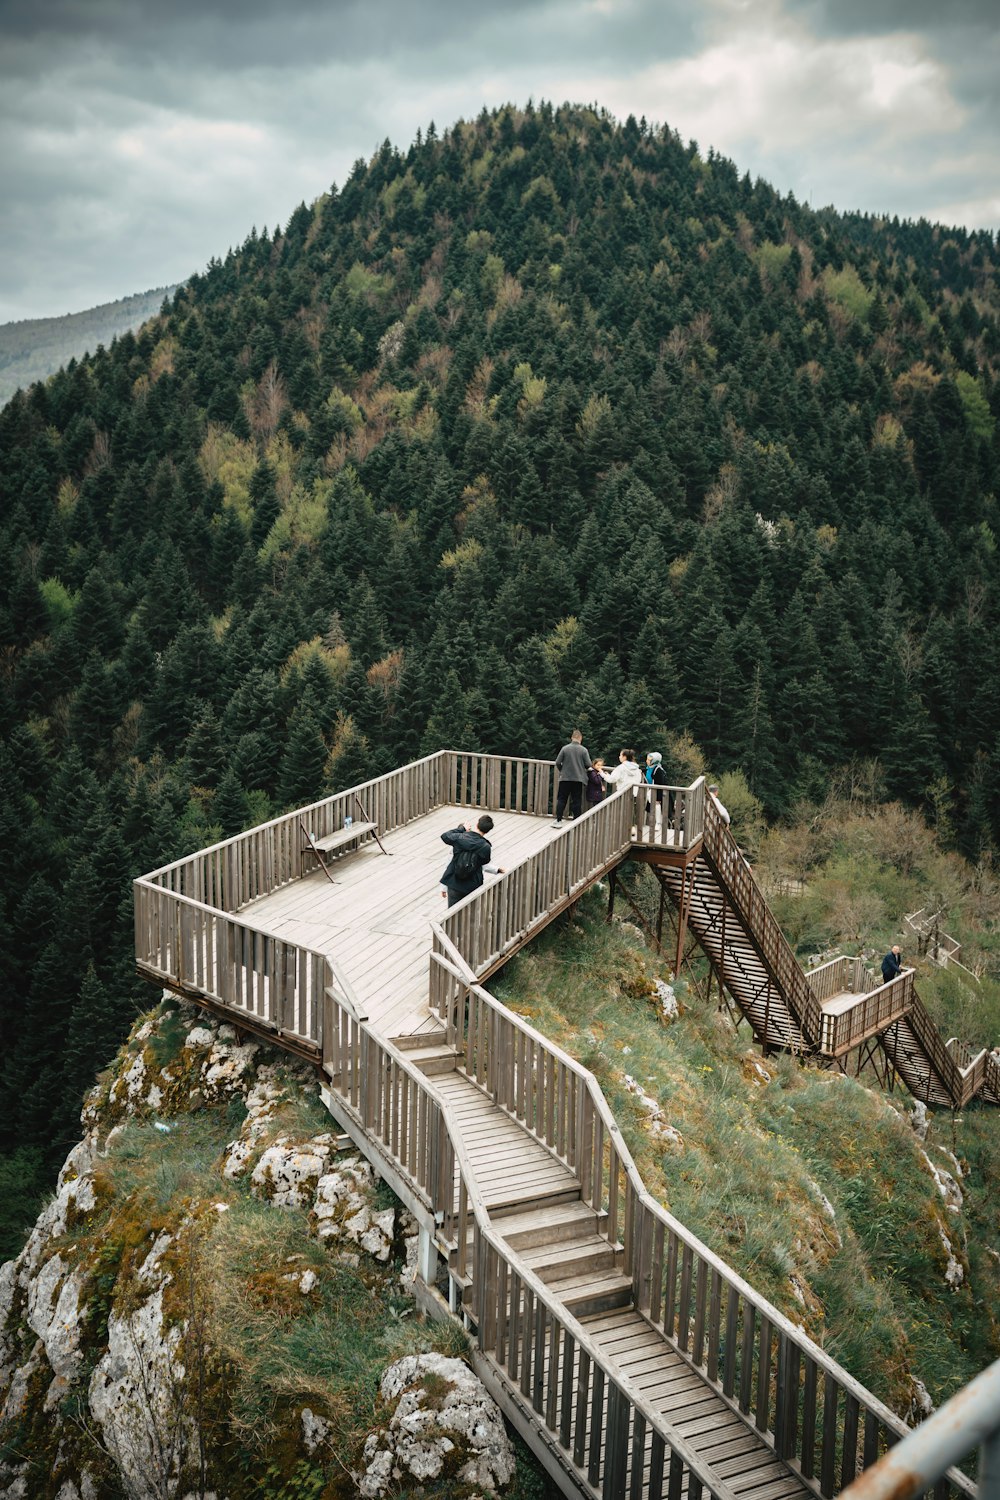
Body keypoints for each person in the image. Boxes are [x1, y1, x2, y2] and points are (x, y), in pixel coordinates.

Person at [440, 816, 505, 907]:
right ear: (488, 830)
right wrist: (497, 869)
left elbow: (445, 836)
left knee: (453, 914)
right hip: (472, 885)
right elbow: (483, 863)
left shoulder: (460, 838)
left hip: (454, 883)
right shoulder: (486, 847)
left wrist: (462, 829)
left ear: (477, 824)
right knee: (471, 915)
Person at [553, 729, 592, 827]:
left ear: (572, 738)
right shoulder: (583, 750)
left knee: (562, 799)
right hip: (578, 779)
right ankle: (576, 821)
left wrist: (562, 770)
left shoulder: (565, 748)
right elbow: (588, 764)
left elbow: (557, 762)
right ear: (580, 738)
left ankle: (558, 820)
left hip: (565, 778)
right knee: (576, 800)